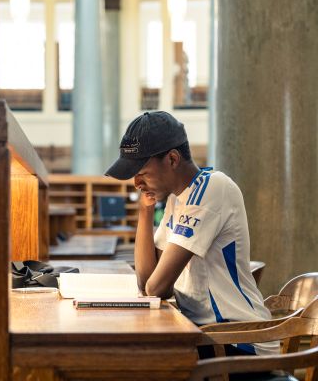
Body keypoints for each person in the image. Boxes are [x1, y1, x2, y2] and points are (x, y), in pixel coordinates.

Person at [105, 111, 278, 357]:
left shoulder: (212, 188)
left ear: (172, 159)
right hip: (205, 335)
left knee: (131, 359)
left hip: (238, 340)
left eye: (141, 171)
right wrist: (145, 210)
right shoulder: (178, 199)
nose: (136, 183)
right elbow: (146, 281)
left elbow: (157, 288)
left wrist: (154, 285)